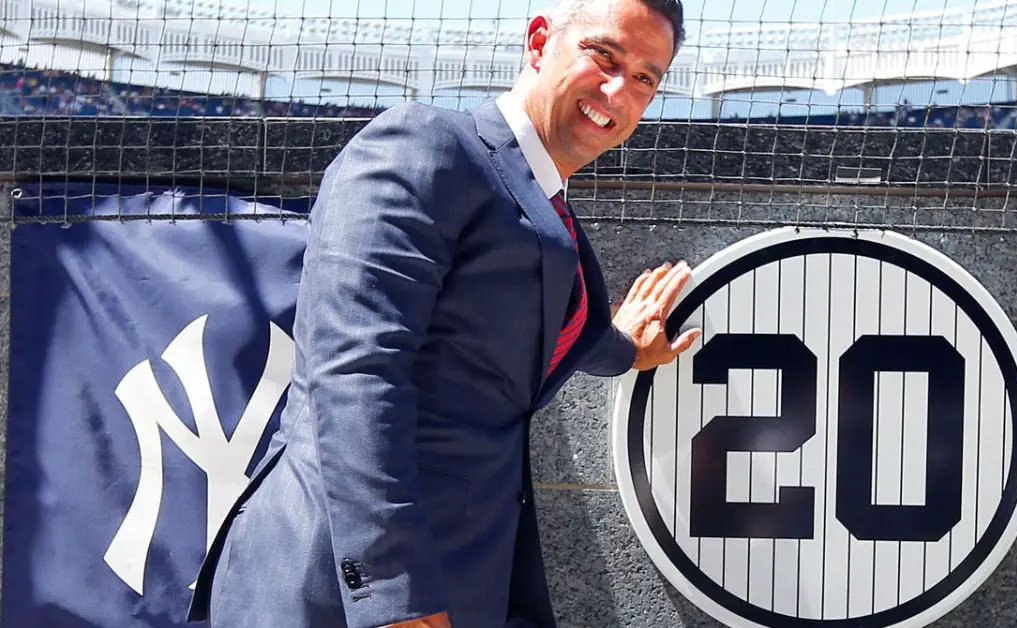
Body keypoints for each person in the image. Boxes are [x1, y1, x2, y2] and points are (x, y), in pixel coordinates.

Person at [186, 0, 697, 626]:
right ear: (540, 42)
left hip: (461, 580)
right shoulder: (424, 146)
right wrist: (391, 590)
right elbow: (353, 370)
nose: (619, 91)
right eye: (604, 56)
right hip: (341, 591)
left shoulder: (540, 199)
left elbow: (515, 327)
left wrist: (623, 347)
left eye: (646, 77)